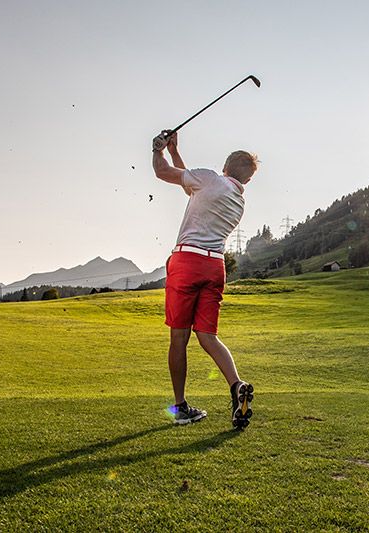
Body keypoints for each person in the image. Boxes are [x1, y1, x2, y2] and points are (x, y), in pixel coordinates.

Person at [152, 130, 257, 429]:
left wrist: (158, 149)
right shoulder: (238, 202)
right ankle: (236, 385)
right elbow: (190, 186)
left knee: (179, 337)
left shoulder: (211, 179)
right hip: (215, 267)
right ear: (246, 179)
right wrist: (175, 152)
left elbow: (163, 174)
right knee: (208, 337)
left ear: (225, 167)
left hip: (187, 262)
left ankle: (181, 406)